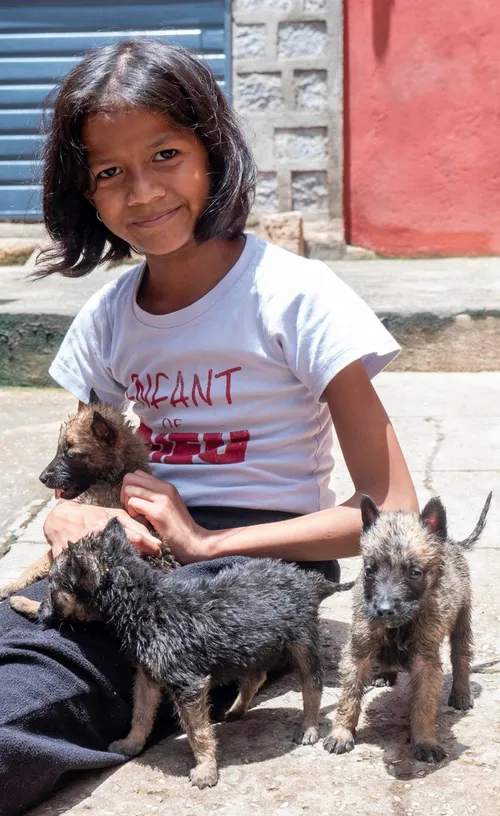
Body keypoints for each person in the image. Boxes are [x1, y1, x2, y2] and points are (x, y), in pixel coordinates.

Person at [0, 40, 417, 815]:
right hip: (141, 552)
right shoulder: (109, 319)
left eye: (165, 153)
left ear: (213, 150)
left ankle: (260, 649)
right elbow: (94, 464)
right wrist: (70, 513)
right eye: (110, 171)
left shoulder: (295, 298)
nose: (143, 190)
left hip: (257, 561)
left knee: (44, 684)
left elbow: (389, 515)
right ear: (84, 193)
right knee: (33, 622)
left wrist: (208, 544)